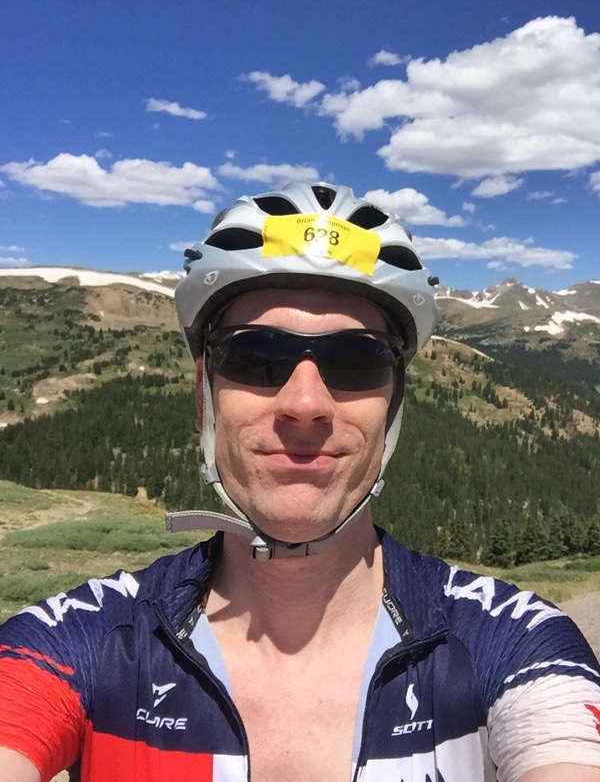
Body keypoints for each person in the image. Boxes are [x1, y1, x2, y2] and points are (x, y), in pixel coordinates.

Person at [0, 182, 598, 782]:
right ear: (204, 397)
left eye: (357, 359)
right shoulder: (80, 640)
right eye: (255, 356)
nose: (305, 404)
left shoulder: (514, 643)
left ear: (393, 406)